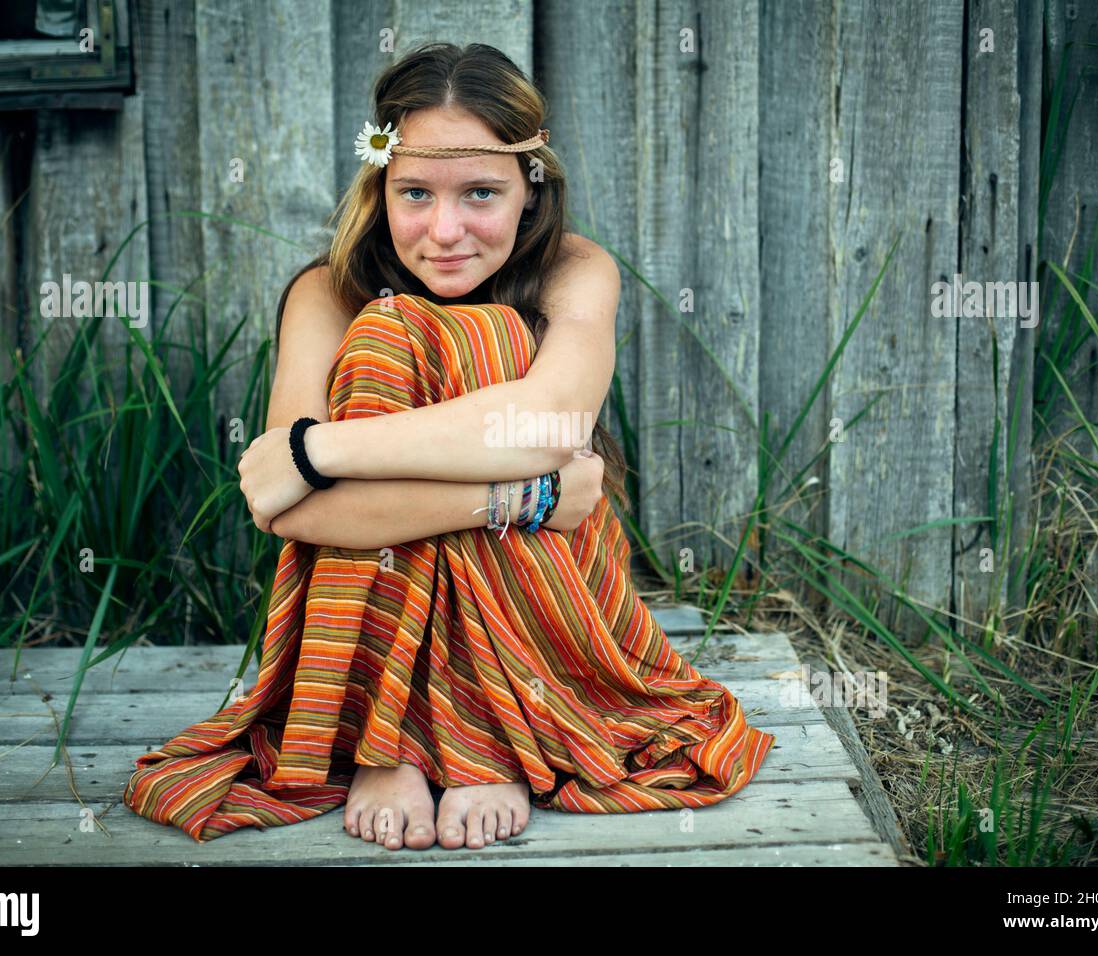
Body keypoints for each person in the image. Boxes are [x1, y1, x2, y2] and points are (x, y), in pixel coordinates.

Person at [123, 41, 774, 851]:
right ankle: (390, 734)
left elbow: (545, 427)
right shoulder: (326, 291)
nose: (445, 229)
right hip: (522, 522)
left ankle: (485, 733)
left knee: (494, 335)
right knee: (387, 333)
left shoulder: (574, 271)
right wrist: (524, 496)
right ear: (380, 186)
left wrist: (318, 451)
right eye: (416, 194)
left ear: (531, 191)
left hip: (547, 601)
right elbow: (293, 513)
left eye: (481, 193)